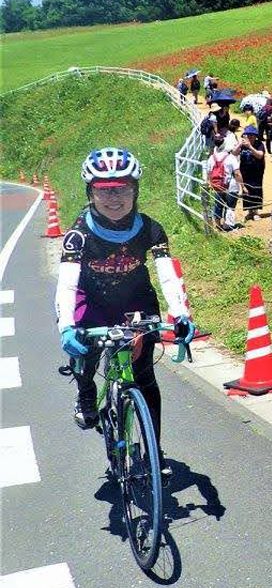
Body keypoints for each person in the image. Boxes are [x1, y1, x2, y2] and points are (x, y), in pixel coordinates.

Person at [55, 148, 196, 478]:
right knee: (85, 357)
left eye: (122, 188)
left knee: (145, 377)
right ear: (91, 193)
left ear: (135, 190)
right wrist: (66, 326)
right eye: (104, 190)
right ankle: (86, 392)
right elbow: (66, 282)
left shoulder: (150, 229)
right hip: (91, 302)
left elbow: (167, 274)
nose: (114, 197)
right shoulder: (79, 234)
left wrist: (180, 314)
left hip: (137, 303)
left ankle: (153, 450)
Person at [205, 134, 245, 231]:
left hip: (217, 186)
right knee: (230, 206)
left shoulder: (211, 158)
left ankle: (218, 225)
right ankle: (228, 225)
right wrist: (242, 187)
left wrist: (210, 183)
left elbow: (209, 173)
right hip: (230, 186)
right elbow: (237, 173)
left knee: (218, 205)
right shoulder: (231, 158)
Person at [238, 124, 266, 222]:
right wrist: (239, 144)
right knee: (246, 190)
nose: (250, 137)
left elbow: (260, 155)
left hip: (257, 171)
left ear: (255, 136)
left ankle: (256, 211)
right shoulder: (243, 145)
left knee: (256, 190)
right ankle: (249, 211)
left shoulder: (260, 144)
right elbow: (233, 153)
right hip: (245, 171)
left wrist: (250, 147)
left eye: (251, 135)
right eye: (247, 135)